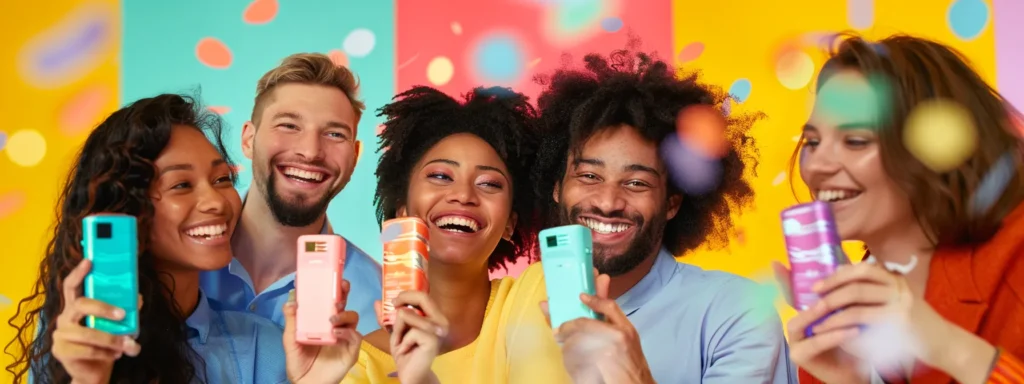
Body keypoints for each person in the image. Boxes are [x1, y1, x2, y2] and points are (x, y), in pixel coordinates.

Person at [516, 43, 797, 383]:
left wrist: (635, 375)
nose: (607, 202)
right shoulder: (516, 307)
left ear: (673, 203)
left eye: (636, 183)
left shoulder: (735, 312)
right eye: (589, 176)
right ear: (557, 186)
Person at [775, 33, 1024, 384]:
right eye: (813, 141)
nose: (817, 164)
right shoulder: (837, 322)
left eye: (856, 141)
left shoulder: (1016, 258)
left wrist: (949, 347)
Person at [280, 85, 570, 384]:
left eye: (489, 184)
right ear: (402, 210)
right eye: (441, 176)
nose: (463, 194)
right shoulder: (353, 363)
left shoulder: (540, 293)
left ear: (510, 222)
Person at [4, 94, 287, 383]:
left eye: (222, 179)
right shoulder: (76, 341)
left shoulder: (264, 347)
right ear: (129, 209)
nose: (215, 201)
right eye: (181, 185)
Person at [199, 53, 382, 334]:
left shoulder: (376, 302)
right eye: (289, 126)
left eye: (334, 134)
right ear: (249, 139)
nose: (310, 152)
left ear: (355, 155)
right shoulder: (176, 263)